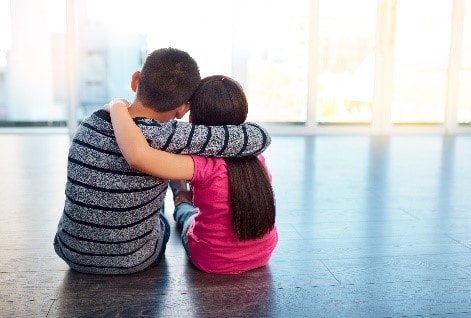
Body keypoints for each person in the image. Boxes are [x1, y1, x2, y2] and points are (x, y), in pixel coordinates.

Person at [53, 49, 271, 275]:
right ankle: (177, 192)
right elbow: (259, 137)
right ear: (183, 109)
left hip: (71, 252)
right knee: (161, 216)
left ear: (136, 80)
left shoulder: (87, 125)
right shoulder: (171, 136)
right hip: (135, 260)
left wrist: (117, 106)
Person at [106, 75, 278, 274]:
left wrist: (118, 107)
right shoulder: (258, 160)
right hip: (263, 254)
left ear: (193, 118)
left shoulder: (201, 164)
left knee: (186, 212)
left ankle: (180, 198)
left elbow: (141, 157)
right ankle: (183, 196)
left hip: (213, 259)